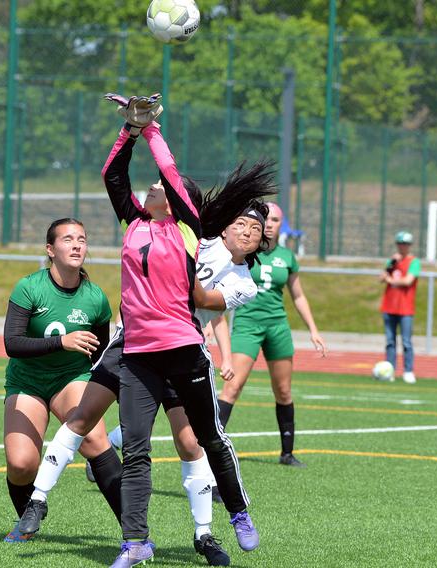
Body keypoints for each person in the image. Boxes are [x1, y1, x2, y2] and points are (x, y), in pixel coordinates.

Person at [19, 203, 272, 567]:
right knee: (83, 416)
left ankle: (204, 534)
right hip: (133, 342)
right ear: (225, 226)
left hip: (180, 351)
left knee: (190, 442)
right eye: (240, 223)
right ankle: (38, 500)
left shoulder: (243, 283)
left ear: (262, 239)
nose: (247, 231)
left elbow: (203, 301)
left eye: (255, 228)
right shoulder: (201, 238)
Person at [101, 93, 264, 567]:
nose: (153, 188)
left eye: (160, 186)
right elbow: (113, 175)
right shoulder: (133, 222)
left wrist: (152, 129)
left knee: (209, 437)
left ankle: (236, 513)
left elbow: (171, 173)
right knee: (135, 452)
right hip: (137, 354)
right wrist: (128, 130)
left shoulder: (189, 230)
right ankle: (135, 543)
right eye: (150, 186)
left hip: (183, 350)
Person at [1, 218, 119, 543]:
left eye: (82, 238)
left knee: (95, 439)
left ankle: (134, 531)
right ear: (50, 250)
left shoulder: (95, 298)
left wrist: (107, 390)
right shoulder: (29, 287)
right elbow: (12, 343)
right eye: (68, 239)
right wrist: (61, 342)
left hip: (72, 377)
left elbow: (98, 355)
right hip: (28, 381)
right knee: (22, 463)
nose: (77, 245)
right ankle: (28, 516)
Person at [217, 201, 327, 468]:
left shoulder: (287, 257)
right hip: (246, 324)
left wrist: (313, 330)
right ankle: (211, 446)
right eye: (266, 219)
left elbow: (298, 296)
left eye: (275, 220)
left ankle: (287, 452)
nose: (269, 224)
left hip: (277, 326)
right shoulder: (240, 250)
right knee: (232, 387)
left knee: (284, 390)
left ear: (281, 225)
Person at [379, 230, 420, 384]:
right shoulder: (393, 261)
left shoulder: (414, 262)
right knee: (390, 341)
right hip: (389, 306)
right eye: (400, 243)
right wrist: (390, 265)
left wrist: (389, 280)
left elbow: (407, 281)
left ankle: (408, 371)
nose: (403, 246)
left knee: (407, 342)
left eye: (406, 244)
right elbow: (381, 277)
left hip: (405, 308)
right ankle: (390, 370)